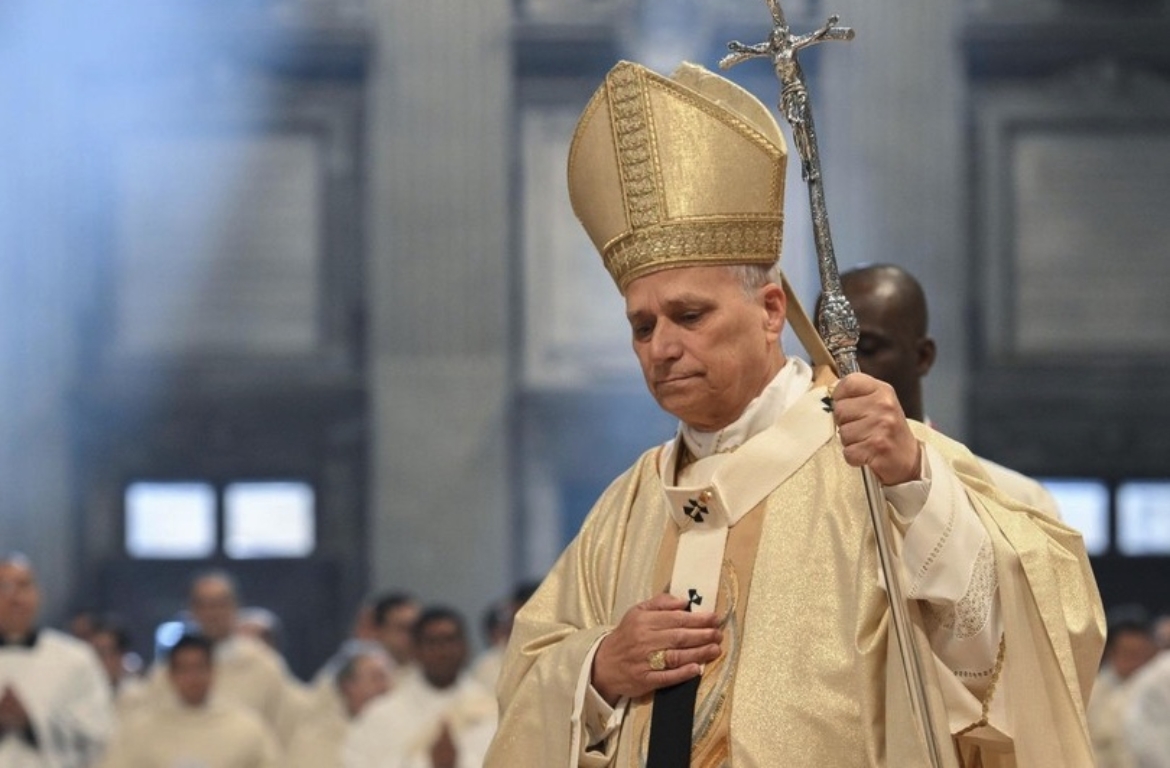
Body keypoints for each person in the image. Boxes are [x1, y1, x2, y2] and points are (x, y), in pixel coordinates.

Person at [485, 60, 1105, 767]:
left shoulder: (878, 456)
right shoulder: (628, 506)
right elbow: (531, 668)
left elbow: (1034, 631)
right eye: (643, 326)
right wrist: (599, 667)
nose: (663, 347)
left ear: (771, 309)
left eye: (689, 315)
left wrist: (914, 487)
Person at [831, 263, 1062, 518]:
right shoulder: (802, 495)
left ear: (922, 357)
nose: (842, 373)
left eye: (868, 349)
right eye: (824, 352)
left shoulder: (1018, 502)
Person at [134, 571, 301, 743]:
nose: (212, 614)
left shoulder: (263, 665)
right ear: (192, 610)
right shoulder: (168, 669)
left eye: (219, 604)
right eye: (203, 605)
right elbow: (148, 727)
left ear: (235, 607)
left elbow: (288, 728)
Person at [98, 633, 280, 768]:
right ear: (171, 675)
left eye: (200, 668)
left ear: (213, 671)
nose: (193, 678)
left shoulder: (247, 729)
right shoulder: (140, 730)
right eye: (184, 669)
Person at [345, 606, 496, 768]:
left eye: (450, 640)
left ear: (466, 647)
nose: (443, 651)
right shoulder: (382, 716)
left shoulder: (489, 711)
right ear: (415, 650)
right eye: (432, 642)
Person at [0, 553, 112, 768]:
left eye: (24, 586)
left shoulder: (76, 658)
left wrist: (30, 725)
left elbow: (98, 733)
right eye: (4, 587)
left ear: (38, 594)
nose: (14, 598)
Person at [286, 645, 393, 768]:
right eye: (376, 678)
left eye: (387, 679)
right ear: (348, 685)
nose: (385, 687)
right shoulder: (318, 737)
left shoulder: (393, 729)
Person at [1087, 607, 1157, 768]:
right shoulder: (1092, 692)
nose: (1136, 662)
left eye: (1142, 654)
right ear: (1110, 652)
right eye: (1128, 654)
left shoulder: (1160, 689)